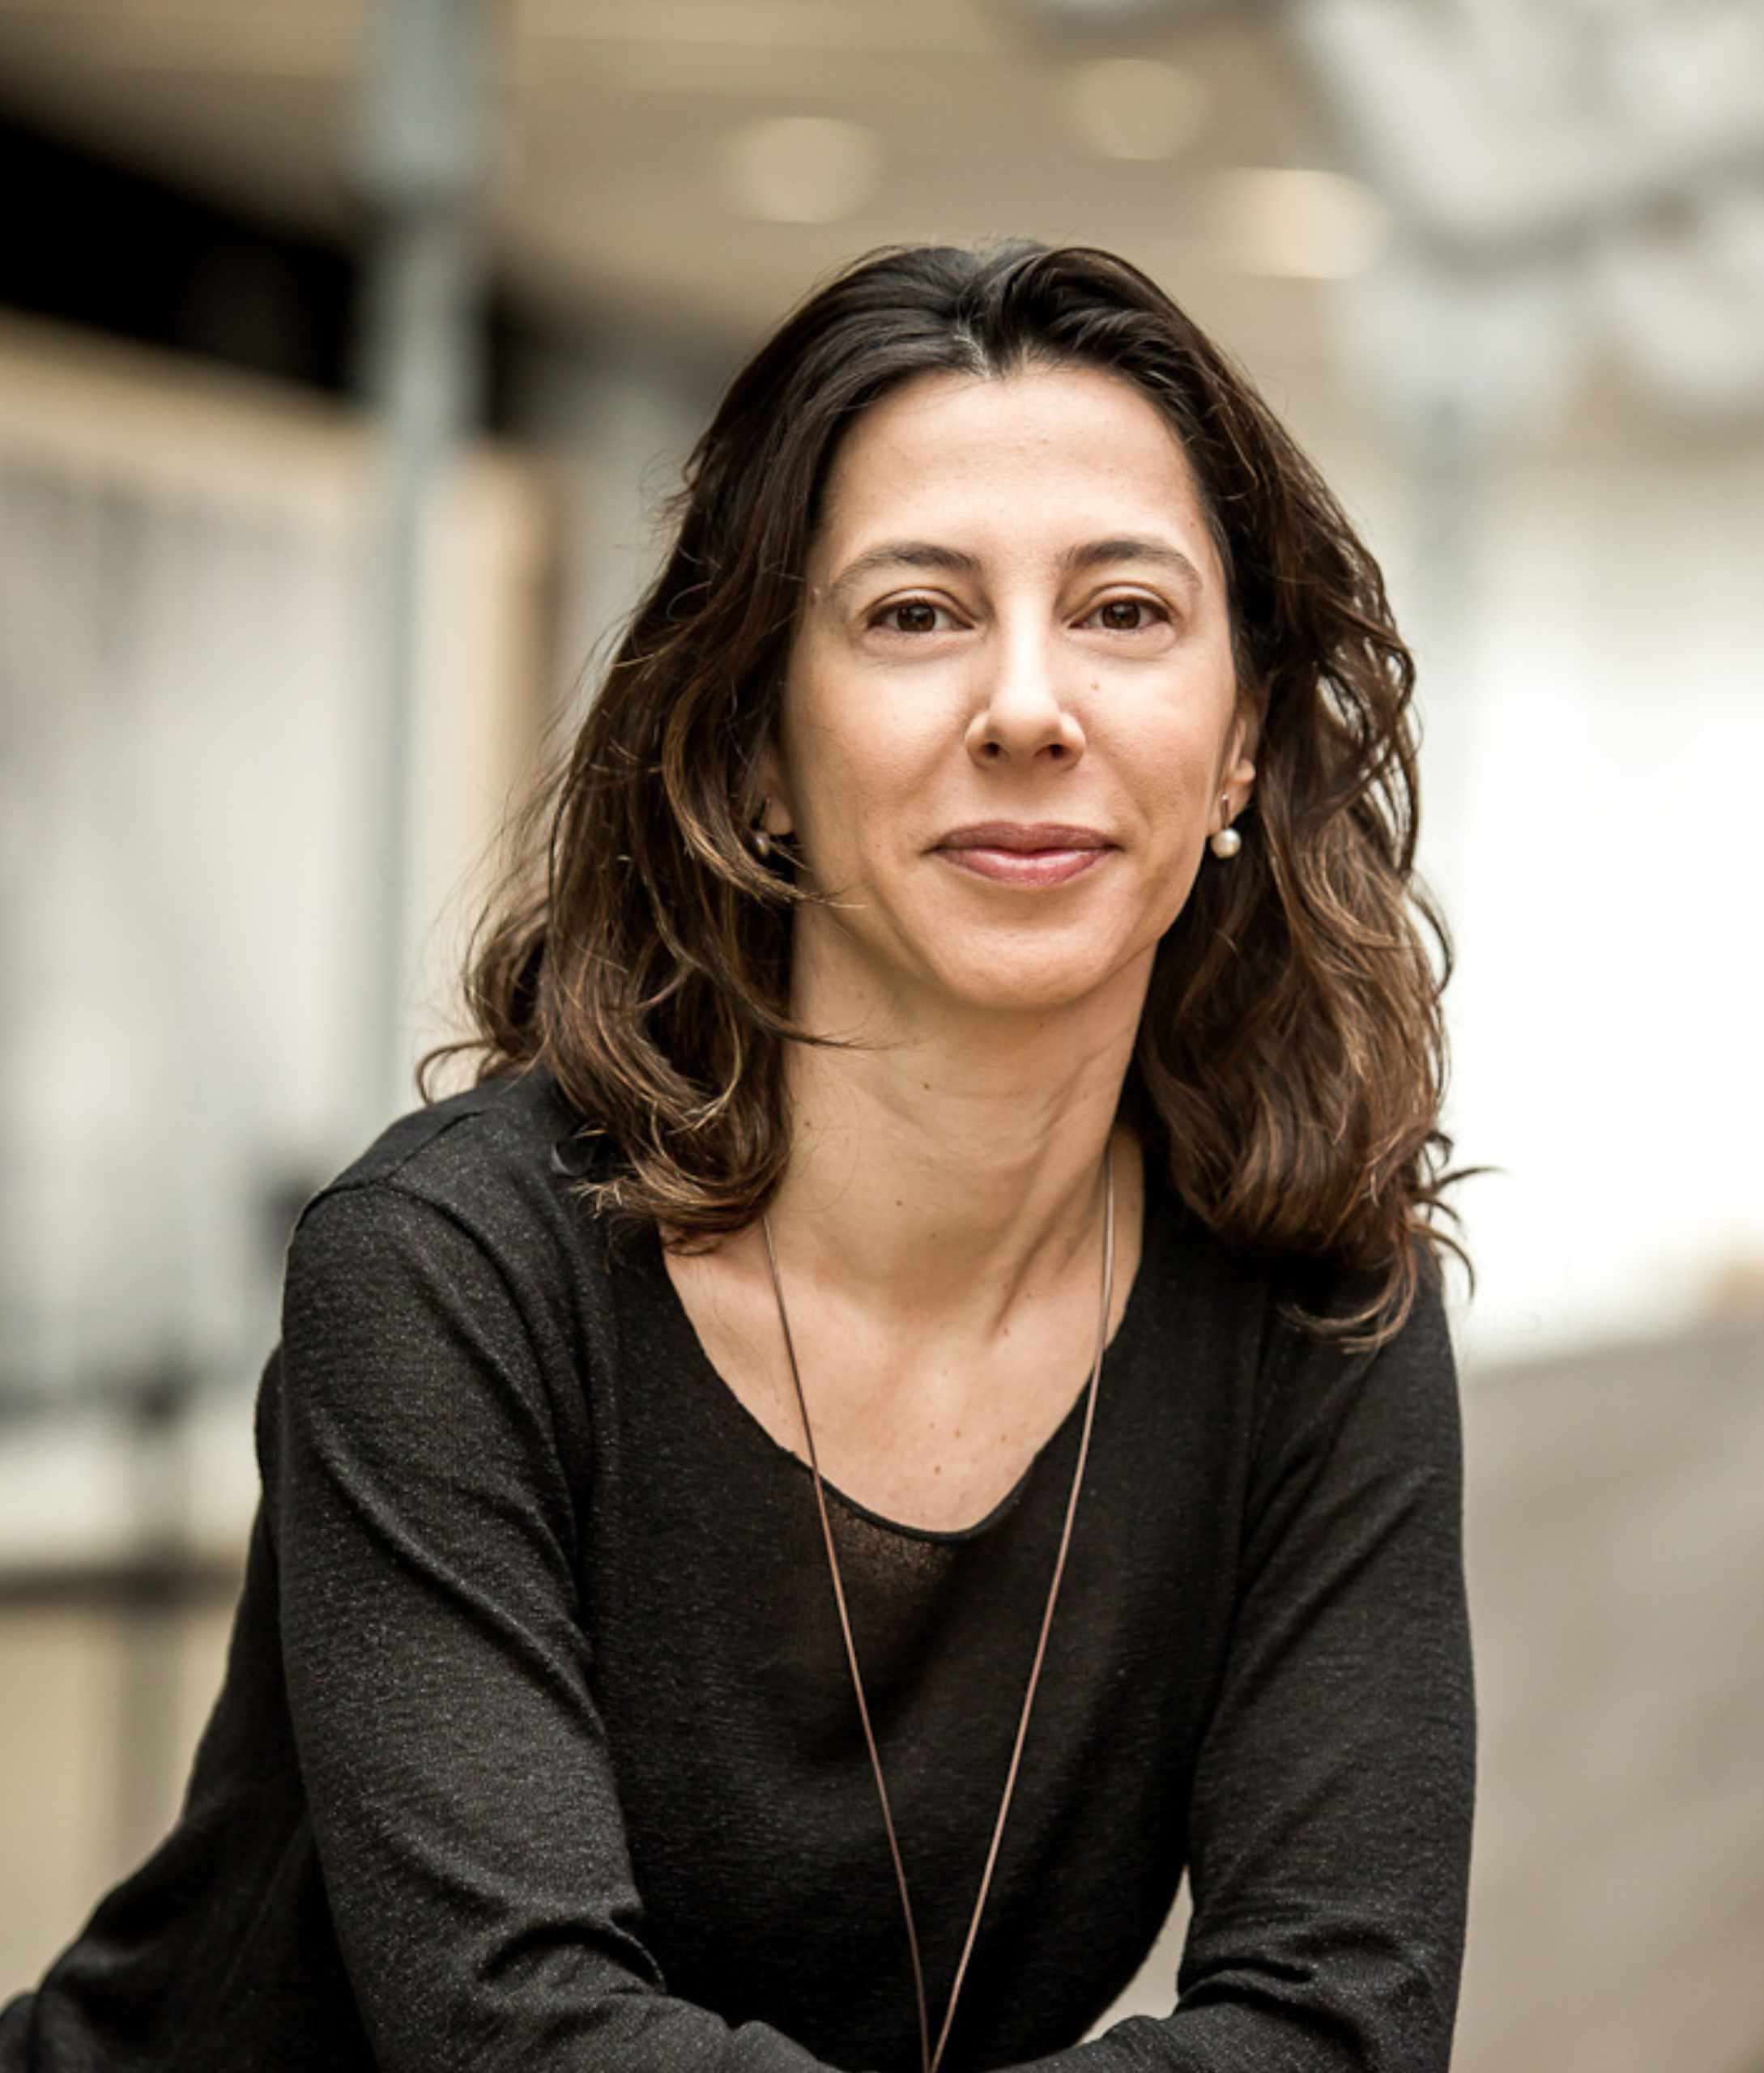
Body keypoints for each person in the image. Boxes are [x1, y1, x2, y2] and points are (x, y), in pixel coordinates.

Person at [2, 242, 1474, 2073]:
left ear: (1241, 738)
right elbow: (519, 2031)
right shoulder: (451, 1270)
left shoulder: (1317, 1315)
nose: (1030, 706)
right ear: (759, 747)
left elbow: (1342, 2019)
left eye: (1125, 611)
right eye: (915, 614)